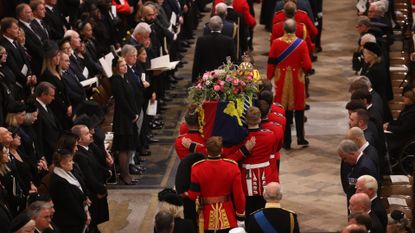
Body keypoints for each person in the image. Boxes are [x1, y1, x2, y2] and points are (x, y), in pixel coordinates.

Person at [267, 19, 312, 150]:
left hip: (281, 80)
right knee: (299, 108)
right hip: (297, 80)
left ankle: (286, 141)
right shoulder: (302, 44)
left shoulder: (276, 43)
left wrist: (269, 78)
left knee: (284, 111)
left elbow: (271, 62)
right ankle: (300, 138)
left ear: (284, 29)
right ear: (295, 30)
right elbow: (308, 65)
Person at [186, 136, 246, 232]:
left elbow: (193, 196)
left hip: (205, 218)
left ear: (206, 150)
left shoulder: (197, 168)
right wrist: (240, 216)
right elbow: (239, 195)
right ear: (221, 150)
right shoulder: (232, 167)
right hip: (228, 217)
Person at [71, 124, 110, 233]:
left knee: (96, 219)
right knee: (92, 219)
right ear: (79, 140)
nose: (91, 135)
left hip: (99, 186)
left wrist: (107, 172)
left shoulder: (89, 147)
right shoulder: (79, 155)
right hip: (93, 192)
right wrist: (101, 189)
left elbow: (98, 164)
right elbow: (88, 177)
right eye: (87, 134)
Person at [110, 56, 139, 185]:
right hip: (123, 119)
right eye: (122, 65)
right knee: (123, 148)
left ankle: (126, 174)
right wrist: (132, 114)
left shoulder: (124, 78)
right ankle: (124, 175)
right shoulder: (116, 81)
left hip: (128, 117)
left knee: (128, 148)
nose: (125, 67)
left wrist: (135, 113)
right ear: (116, 68)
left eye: (125, 64)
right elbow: (121, 101)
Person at [48, 149, 90, 233]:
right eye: (70, 161)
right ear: (62, 164)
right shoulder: (59, 182)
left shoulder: (66, 173)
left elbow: (77, 188)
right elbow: (71, 204)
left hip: (75, 215)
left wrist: (85, 198)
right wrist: (85, 217)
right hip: (69, 222)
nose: (73, 163)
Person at [39, 40, 72, 130]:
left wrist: (69, 105)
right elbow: (55, 96)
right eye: (55, 56)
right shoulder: (46, 75)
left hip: (66, 109)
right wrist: (66, 108)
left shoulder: (57, 71)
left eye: (58, 55)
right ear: (49, 58)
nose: (57, 58)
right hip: (58, 111)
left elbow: (65, 90)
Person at [192, 16, 235, 82]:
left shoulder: (201, 40)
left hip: (205, 77)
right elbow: (232, 60)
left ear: (209, 26)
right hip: (223, 77)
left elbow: (197, 60)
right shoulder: (229, 41)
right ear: (222, 26)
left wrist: (194, 79)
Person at [32, 82, 62, 164]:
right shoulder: (35, 108)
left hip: (54, 147)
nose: (53, 98)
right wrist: (41, 156)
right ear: (43, 94)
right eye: (51, 95)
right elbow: (38, 135)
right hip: (47, 152)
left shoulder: (46, 105)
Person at [383, 85, 415, 156]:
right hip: (402, 134)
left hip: (406, 138)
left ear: (411, 99)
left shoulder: (412, 113)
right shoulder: (407, 108)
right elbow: (400, 121)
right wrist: (389, 123)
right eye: (404, 96)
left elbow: (404, 128)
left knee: (385, 140)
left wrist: (388, 127)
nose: (403, 98)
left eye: (406, 97)